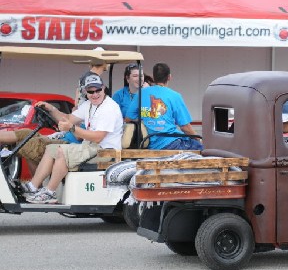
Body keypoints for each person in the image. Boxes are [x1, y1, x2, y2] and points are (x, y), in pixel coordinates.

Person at [26, 75, 123, 204]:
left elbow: (98, 137)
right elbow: (68, 118)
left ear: (103, 88)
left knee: (62, 152)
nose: (95, 94)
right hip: (91, 145)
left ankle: (50, 192)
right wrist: (51, 109)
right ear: (86, 92)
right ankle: (33, 187)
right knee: (51, 149)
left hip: (105, 151)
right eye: (90, 91)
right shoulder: (89, 105)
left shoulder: (109, 108)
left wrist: (72, 128)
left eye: (98, 90)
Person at [125, 63, 202, 150]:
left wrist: (147, 117)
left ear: (153, 77)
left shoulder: (140, 93)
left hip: (151, 144)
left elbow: (128, 118)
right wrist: (199, 139)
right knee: (204, 149)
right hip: (171, 143)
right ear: (169, 77)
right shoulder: (175, 96)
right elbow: (185, 127)